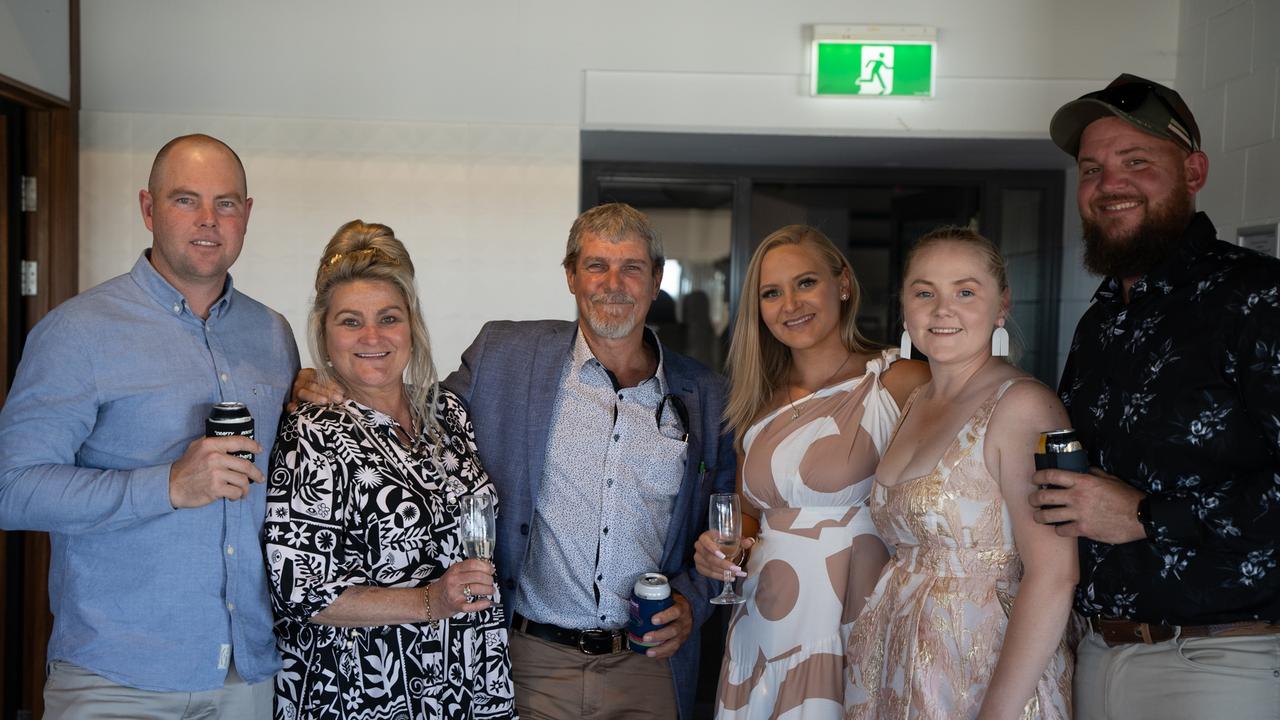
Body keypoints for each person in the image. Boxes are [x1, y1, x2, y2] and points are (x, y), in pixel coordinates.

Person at [294, 203, 735, 720]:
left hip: (646, 665)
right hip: (527, 661)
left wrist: (692, 603)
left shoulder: (703, 394)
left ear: (656, 279)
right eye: (596, 265)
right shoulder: (504, 354)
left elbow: (723, 525)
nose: (613, 283)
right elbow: (419, 416)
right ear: (571, 275)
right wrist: (321, 380)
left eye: (632, 267)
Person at [0, 134, 299, 718]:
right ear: (147, 209)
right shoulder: (77, 333)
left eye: (227, 202)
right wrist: (166, 486)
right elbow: (12, 489)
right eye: (186, 200)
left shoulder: (274, 334)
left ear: (247, 213)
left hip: (248, 675)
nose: (209, 220)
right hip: (117, 677)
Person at [1035, 74, 1280, 720]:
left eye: (1136, 161)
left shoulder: (1257, 298)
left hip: (1220, 662)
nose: (1108, 184)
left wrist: (1149, 516)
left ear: (1193, 170)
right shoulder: (1101, 321)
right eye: (1092, 169)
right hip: (1096, 652)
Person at [265, 220, 514, 719]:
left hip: (466, 678)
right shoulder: (312, 432)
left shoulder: (449, 415)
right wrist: (429, 602)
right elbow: (301, 594)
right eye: (350, 321)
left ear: (412, 325)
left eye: (389, 318)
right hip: (360, 692)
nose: (372, 337)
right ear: (324, 332)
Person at [692, 225, 928, 718]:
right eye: (771, 293)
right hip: (764, 618)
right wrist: (724, 547)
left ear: (842, 283)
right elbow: (750, 514)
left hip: (854, 617)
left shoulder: (899, 381)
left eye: (805, 283)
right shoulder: (756, 402)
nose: (790, 304)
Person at [844, 227, 1077, 719]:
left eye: (965, 292)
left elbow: (1054, 574)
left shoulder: (1022, 405)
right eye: (924, 292)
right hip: (897, 668)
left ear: (1001, 306)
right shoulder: (916, 400)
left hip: (986, 676)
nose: (942, 309)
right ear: (905, 306)